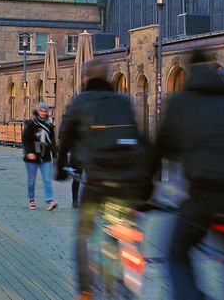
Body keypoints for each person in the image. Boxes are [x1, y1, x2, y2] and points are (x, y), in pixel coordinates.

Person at [150, 49, 224, 300]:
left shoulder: (181, 102)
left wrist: (143, 192)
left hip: (208, 195)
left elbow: (158, 154)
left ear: (189, 71)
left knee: (176, 253)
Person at [56, 60, 149, 300]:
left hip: (96, 182)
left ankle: (86, 290)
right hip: (126, 183)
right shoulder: (123, 101)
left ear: (86, 77)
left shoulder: (80, 102)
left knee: (83, 234)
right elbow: (140, 139)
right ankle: (128, 281)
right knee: (125, 231)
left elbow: (64, 137)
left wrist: (60, 169)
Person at [22, 102, 57, 210]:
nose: (43, 113)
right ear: (37, 111)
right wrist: (29, 152)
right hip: (32, 156)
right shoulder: (31, 123)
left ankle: (49, 201)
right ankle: (31, 200)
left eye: (45, 111)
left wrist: (54, 155)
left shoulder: (49, 124)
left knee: (47, 179)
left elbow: (52, 141)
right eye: (41, 110)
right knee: (32, 180)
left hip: (45, 155)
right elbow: (25, 139)